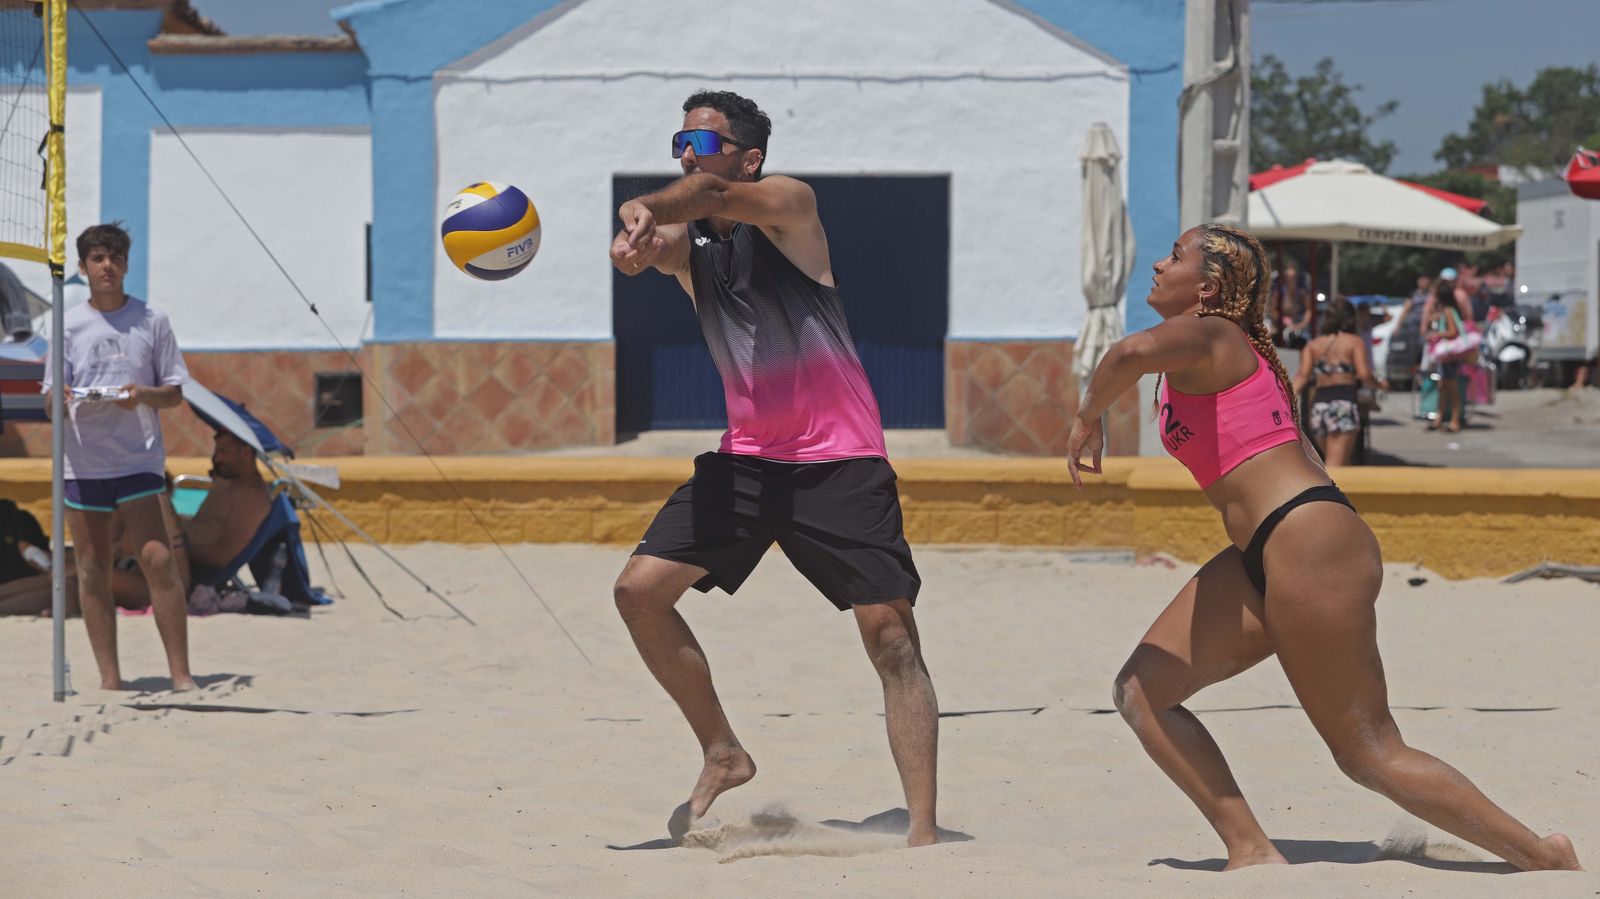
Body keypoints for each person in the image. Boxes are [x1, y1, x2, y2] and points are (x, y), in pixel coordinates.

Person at [1065, 222, 1581, 872]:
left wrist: (1087, 419)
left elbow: (1127, 354)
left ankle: (1542, 855)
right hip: (1272, 552)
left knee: (1367, 751)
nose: (1158, 266)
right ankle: (1251, 848)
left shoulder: (1217, 334)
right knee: (1142, 690)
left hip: (1305, 540)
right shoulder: (1226, 351)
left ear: (1210, 286)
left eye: (1174, 257)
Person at [607, 91, 938, 846]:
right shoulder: (694, 250)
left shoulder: (791, 206)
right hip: (748, 463)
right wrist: (631, 247)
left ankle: (922, 830)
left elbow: (710, 195)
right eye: (678, 140)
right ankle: (724, 749)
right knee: (638, 592)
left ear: (748, 158)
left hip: (841, 461)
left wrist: (648, 205)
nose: (687, 152)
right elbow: (649, 250)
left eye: (702, 139)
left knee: (891, 636)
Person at [42, 223, 195, 691]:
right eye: (97, 258)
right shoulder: (66, 323)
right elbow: (50, 402)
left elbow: (174, 395)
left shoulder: (152, 320)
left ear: (126, 265)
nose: (107, 266)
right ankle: (111, 680)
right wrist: (62, 398)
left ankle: (181, 675)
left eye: (114, 258)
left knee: (156, 559)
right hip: (83, 461)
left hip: (138, 459)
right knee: (92, 567)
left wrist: (143, 395)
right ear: (84, 267)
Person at [0, 429, 272, 616]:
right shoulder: (226, 486)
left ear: (247, 453)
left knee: (75, 574)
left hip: (164, 580)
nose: (216, 458)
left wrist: (176, 541)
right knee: (69, 574)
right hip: (141, 568)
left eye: (223, 451)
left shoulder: (251, 499)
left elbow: (223, 555)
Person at [1292, 298, 1382, 467]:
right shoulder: (1354, 342)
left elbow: (1302, 377)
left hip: (1319, 408)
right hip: (1343, 404)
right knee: (1336, 466)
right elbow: (1364, 374)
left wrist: (1284, 402)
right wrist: (1381, 385)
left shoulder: (1313, 345)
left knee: (1336, 461)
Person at [1423, 280, 1469, 433]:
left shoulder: (1448, 311)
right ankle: (1439, 419)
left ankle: (1455, 421)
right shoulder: (1445, 311)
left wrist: (1437, 334)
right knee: (1443, 387)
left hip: (1450, 356)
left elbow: (1453, 332)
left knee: (1452, 389)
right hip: (1445, 357)